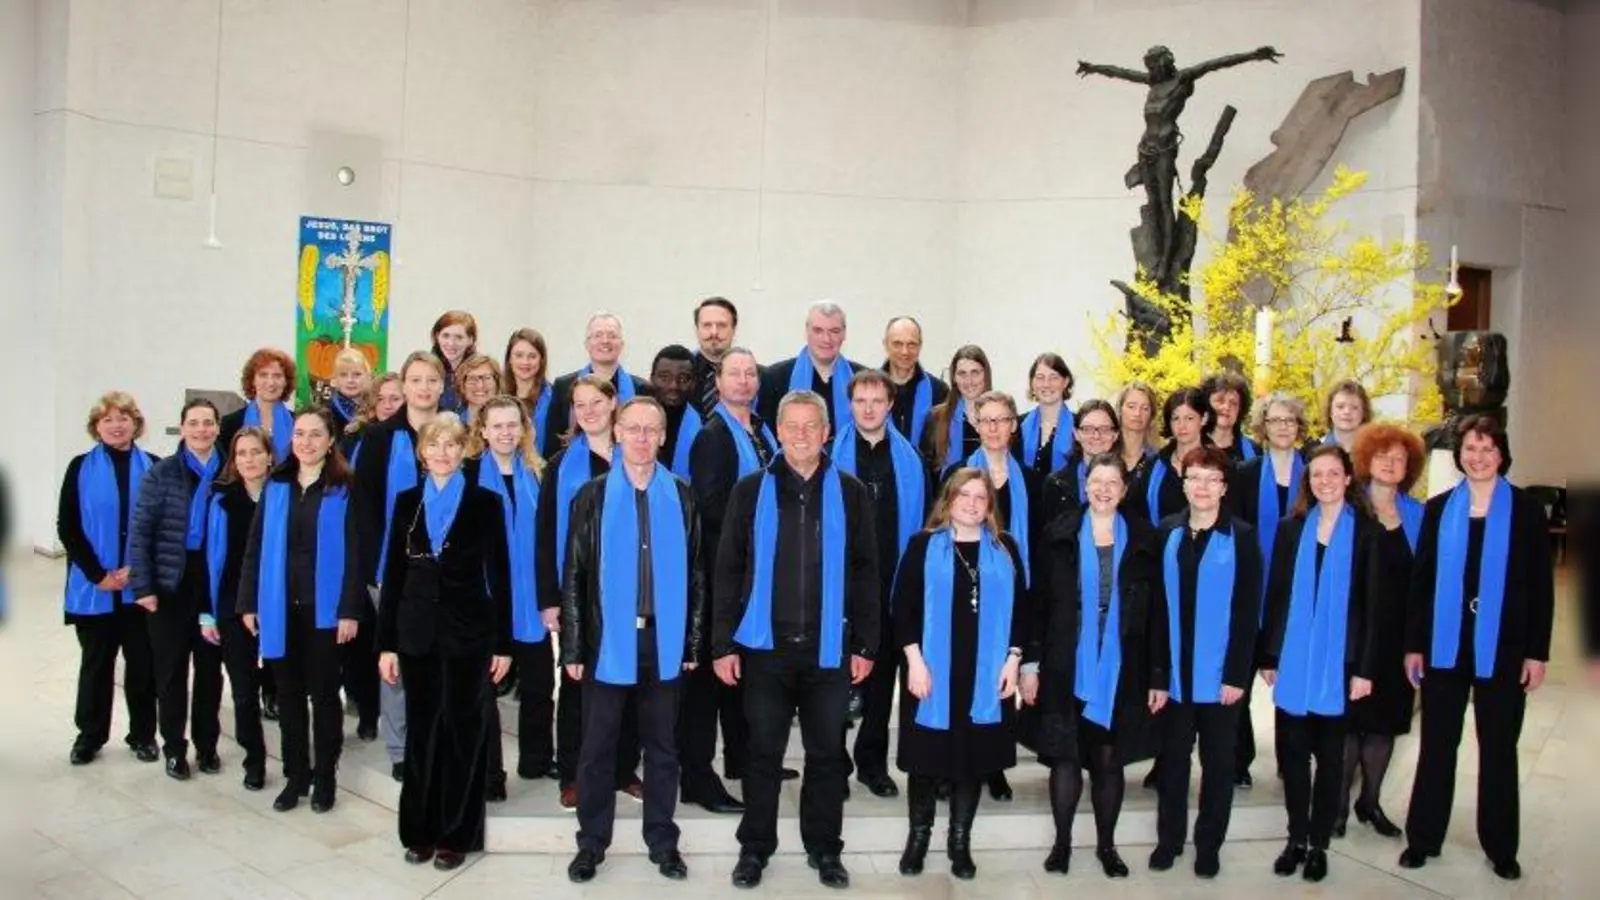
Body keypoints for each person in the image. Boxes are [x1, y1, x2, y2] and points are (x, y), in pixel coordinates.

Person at [712, 390, 880, 890]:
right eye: (793, 426)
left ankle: (825, 850)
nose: (802, 435)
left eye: (812, 426)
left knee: (827, 756)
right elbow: (727, 570)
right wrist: (723, 644)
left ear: (827, 432)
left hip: (829, 651)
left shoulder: (850, 493)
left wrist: (866, 644)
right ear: (778, 432)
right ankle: (755, 850)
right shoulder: (749, 491)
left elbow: (867, 571)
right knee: (761, 755)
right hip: (765, 650)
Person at [1399, 415, 1553, 881]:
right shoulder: (1440, 507)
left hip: (1503, 646)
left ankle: (1501, 846)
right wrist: (1413, 645)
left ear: (1502, 454)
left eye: (1488, 449)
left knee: (1499, 748)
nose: (1479, 457)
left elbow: (1541, 587)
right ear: (1459, 455)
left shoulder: (1525, 510)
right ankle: (1423, 839)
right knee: (1438, 745)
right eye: (1470, 448)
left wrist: (1536, 652)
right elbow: (1420, 584)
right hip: (1445, 645)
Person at [562, 398, 705, 884]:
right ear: (617, 434)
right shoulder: (592, 495)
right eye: (633, 429)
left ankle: (663, 841)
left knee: (663, 748)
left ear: (663, 437)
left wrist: (692, 644)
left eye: (651, 430)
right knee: (597, 749)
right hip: (608, 642)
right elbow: (575, 576)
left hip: (663, 642)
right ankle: (591, 844)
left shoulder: (681, 495)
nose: (642, 438)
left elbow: (698, 576)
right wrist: (575, 648)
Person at [377, 413, 512, 869]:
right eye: (434, 444)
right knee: (423, 734)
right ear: (422, 451)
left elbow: (500, 578)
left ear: (465, 449)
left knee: (463, 734)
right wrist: (387, 644)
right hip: (415, 636)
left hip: (468, 637)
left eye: (451, 444)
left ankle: (458, 834)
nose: (442, 452)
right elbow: (393, 577)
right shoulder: (405, 502)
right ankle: (419, 830)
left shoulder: (485, 503)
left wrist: (503, 644)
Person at [1024, 453, 1161, 878]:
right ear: (1085, 486)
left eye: (1112, 482)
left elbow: (1158, 613)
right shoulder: (1058, 533)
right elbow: (1038, 603)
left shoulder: (1143, 537)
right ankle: (1062, 844)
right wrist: (1030, 662)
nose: (1103, 489)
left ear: (1123, 489)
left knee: (1108, 760)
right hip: (1066, 664)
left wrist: (1158, 675)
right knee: (1065, 758)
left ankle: (1107, 846)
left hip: (1123, 668)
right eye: (1096, 481)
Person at [892, 468, 1026, 880]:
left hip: (985, 674)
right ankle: (918, 838)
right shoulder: (922, 546)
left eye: (980, 497)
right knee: (925, 759)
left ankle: (960, 842)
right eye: (963, 495)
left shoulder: (1006, 549)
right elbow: (902, 609)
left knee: (972, 759)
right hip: (931, 672)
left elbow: (1023, 610)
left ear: (989, 506)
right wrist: (914, 661)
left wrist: (1014, 660)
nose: (971, 503)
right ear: (948, 500)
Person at [237, 407, 363, 813]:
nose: (306, 442)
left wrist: (349, 609)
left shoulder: (345, 487)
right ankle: (296, 776)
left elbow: (356, 554)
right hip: (279, 609)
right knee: (288, 698)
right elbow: (255, 547)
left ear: (330, 441)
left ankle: (325, 777)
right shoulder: (276, 485)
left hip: (325, 612)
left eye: (315, 435)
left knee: (325, 697)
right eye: (300, 434)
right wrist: (249, 602)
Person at [1259, 446, 1376, 883]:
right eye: (1317, 475)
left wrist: (1364, 669)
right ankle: (1296, 838)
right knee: (1292, 757)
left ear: (1348, 479)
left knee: (1331, 761)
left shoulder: (1367, 532)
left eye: (1333, 473)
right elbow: (1277, 596)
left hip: (1340, 666)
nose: (1324, 481)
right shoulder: (1291, 530)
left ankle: (1320, 843)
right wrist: (1268, 655)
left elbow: (1373, 608)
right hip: (1293, 659)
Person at [1149, 446, 1263, 879]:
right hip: (1176, 675)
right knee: (1173, 762)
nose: (1202, 487)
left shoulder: (1243, 537)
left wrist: (1237, 675)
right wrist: (1158, 674)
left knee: (1218, 764)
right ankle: (1169, 839)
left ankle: (1209, 843)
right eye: (1194, 477)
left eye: (1211, 479)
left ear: (1224, 486)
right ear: (1183, 482)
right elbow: (1158, 611)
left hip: (1221, 679)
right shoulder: (1167, 533)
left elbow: (1248, 611)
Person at [538, 375, 643, 809]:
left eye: (596, 402)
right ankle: (574, 773)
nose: (588, 411)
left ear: (613, 403)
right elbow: (545, 536)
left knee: (630, 683)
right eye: (579, 405)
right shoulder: (560, 465)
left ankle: (622, 769)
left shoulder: (637, 458)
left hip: (632, 591)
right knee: (578, 683)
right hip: (579, 592)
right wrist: (549, 599)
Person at [684, 348, 779, 810]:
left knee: (745, 673)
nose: (743, 381)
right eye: (733, 374)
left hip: (757, 575)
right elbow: (711, 509)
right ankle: (698, 779)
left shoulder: (760, 430)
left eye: (749, 374)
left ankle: (744, 756)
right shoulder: (713, 437)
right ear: (717, 383)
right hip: (725, 576)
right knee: (709, 682)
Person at [833, 370, 932, 799]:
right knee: (835, 682)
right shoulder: (828, 456)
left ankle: (872, 763)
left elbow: (926, 526)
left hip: (891, 586)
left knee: (880, 682)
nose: (869, 408)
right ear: (850, 404)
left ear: (891, 405)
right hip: (840, 589)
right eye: (860, 400)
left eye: (877, 400)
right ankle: (832, 762)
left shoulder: (911, 461)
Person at [353, 351, 445, 779]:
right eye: (416, 380)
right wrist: (378, 568)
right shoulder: (378, 438)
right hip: (394, 569)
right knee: (398, 663)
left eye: (432, 380)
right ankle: (400, 747)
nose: (424, 388)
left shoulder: (454, 433)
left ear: (443, 387)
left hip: (444, 570)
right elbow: (365, 507)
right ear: (403, 386)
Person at [943, 389, 1037, 803]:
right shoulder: (958, 475)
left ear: (1014, 426)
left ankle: (994, 765)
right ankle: (953, 764)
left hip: (1009, 589)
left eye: (1003, 420)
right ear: (976, 426)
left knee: (1001, 679)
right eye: (987, 420)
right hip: (963, 588)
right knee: (959, 678)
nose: (994, 428)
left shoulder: (1032, 479)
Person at [59, 391, 158, 766]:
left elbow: (161, 525)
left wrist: (137, 567)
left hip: (139, 587)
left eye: (124, 418)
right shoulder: (78, 467)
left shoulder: (154, 465)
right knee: (96, 665)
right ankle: (90, 735)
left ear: (136, 423)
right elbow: (67, 526)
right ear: (96, 427)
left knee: (142, 667)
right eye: (108, 420)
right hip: (93, 587)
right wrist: (98, 574)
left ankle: (143, 734)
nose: (117, 425)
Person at [129, 397, 223, 781]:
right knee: (170, 673)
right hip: (170, 584)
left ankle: (207, 745)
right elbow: (141, 533)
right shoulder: (161, 473)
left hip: (213, 583)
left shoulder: (230, 472)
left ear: (218, 428)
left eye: (208, 423)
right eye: (194, 423)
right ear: (182, 428)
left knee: (210, 672)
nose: (201, 429)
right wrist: (143, 586)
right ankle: (174, 747)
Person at [1340, 422, 1426, 838]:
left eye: (1400, 458)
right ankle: (1336, 806)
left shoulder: (1419, 514)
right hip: (1355, 636)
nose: (1391, 464)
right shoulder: (1348, 512)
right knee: (1349, 726)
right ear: (1365, 461)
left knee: (1385, 725)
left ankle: (1369, 802)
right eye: (1383, 456)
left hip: (1399, 638)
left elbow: (1427, 582)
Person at [465, 396, 556, 789]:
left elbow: (549, 538)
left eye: (512, 425)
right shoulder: (465, 476)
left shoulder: (538, 473)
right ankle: (489, 773)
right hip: (484, 598)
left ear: (524, 429)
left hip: (530, 597)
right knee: (482, 691)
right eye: (497, 425)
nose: (505, 432)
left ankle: (536, 759)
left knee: (539, 684)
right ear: (482, 431)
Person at [1227, 391, 1309, 788]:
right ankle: (1239, 758)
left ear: (1299, 428)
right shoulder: (1244, 471)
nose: (1282, 428)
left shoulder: (1314, 472)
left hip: (1296, 589)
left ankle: (1290, 758)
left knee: (1289, 677)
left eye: (1289, 421)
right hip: (1252, 587)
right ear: (1262, 426)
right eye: (1275, 421)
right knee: (1239, 676)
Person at [200, 428, 272, 791]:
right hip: (231, 605)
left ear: (269, 456)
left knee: (283, 689)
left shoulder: (283, 497)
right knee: (243, 691)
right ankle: (254, 760)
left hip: (277, 606)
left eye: (256, 452)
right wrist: (207, 612)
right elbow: (209, 559)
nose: (249, 459)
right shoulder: (221, 500)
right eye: (241, 453)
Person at [759, 301, 860, 431]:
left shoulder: (860, 378)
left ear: (844, 334)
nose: (826, 339)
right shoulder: (774, 378)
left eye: (834, 331)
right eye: (818, 330)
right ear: (806, 332)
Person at [549, 312, 652, 432]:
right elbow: (554, 441)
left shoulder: (642, 389)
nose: (605, 341)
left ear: (622, 345)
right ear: (587, 344)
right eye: (598, 335)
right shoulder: (563, 386)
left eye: (612, 336)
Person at [1133, 387, 1212, 524]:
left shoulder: (1219, 465)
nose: (1182, 425)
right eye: (1176, 418)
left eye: (1189, 418)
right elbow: (1140, 517)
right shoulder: (1153, 466)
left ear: (1203, 419)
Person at [1039, 399, 1121, 524]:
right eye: (1087, 429)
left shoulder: (1130, 483)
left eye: (1104, 429)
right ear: (1076, 434)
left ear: (1115, 435)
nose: (1096, 436)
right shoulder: (1055, 484)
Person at [880, 316, 949, 449]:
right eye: (897, 344)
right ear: (885, 344)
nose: (905, 352)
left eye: (912, 344)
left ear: (920, 346)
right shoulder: (868, 389)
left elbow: (942, 445)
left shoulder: (939, 391)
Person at [218, 348, 297, 463]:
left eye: (277, 376)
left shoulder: (299, 424)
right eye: (263, 375)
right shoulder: (230, 424)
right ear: (252, 380)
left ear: (286, 382)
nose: (271, 382)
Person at [926, 345, 991, 471]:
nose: (969, 381)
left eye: (975, 373)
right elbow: (928, 469)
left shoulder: (1000, 418)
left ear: (985, 375)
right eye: (962, 374)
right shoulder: (936, 418)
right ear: (954, 378)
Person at [1017, 353, 1076, 480]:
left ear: (1065, 382)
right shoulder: (1017, 425)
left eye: (1053, 377)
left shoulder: (1079, 426)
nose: (1046, 384)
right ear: (1032, 383)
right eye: (1040, 377)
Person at [650, 344, 703, 480]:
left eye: (683, 379)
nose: (673, 385)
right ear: (652, 379)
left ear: (694, 383)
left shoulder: (705, 428)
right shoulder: (633, 421)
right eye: (664, 377)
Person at [503, 328, 555, 458]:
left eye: (532, 356)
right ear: (509, 358)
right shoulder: (497, 397)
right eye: (519, 355)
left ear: (541, 360)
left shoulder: (555, 398)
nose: (525, 362)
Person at [690, 297, 739, 417]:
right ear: (697, 329)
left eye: (721, 325)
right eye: (707, 325)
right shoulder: (681, 374)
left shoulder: (752, 376)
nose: (714, 332)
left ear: (734, 330)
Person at [1201, 372, 1260, 464]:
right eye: (1220, 400)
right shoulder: (1190, 444)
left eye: (1233, 403)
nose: (1226, 407)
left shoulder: (1253, 451)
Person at [1114, 381, 1162, 487]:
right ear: (1120, 409)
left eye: (1145, 408)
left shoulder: (1158, 461)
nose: (1137, 413)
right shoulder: (1105, 454)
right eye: (1131, 406)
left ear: (1151, 415)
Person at [430, 310, 478, 414]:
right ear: (437, 336)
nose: (451, 343)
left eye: (459, 337)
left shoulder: (480, 371)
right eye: (446, 336)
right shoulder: (424, 368)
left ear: (470, 340)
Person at [1310, 379, 1372, 453]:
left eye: (1354, 407)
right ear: (1330, 410)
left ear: (1364, 413)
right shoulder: (1311, 451)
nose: (1347, 412)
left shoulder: (1375, 452)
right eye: (1340, 407)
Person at [327, 348, 373, 438]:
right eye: (343, 375)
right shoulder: (328, 412)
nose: (350, 380)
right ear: (335, 380)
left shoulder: (376, 406)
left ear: (368, 376)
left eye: (357, 374)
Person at [455, 353, 502, 425]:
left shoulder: (509, 421)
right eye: (472, 379)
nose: (480, 386)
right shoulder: (453, 422)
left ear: (497, 383)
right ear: (463, 385)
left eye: (486, 378)